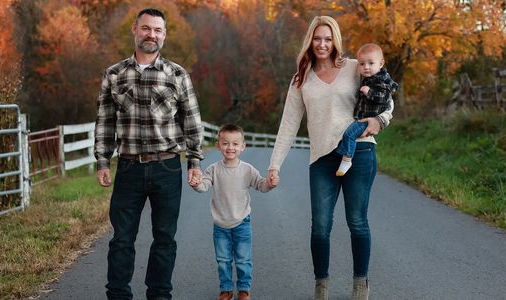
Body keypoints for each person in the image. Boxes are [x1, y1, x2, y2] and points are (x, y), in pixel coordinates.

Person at [266, 16, 394, 300]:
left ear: (335, 40)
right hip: (322, 160)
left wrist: (379, 122)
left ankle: (360, 285)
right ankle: (321, 285)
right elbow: (288, 125)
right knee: (320, 226)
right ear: (310, 41)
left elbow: (386, 97)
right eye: (317, 38)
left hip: (359, 152)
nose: (322, 44)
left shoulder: (353, 68)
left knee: (357, 221)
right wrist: (274, 165)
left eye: (328, 38)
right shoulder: (301, 79)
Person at [94, 8, 203, 300]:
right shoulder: (114, 74)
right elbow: (105, 122)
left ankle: (159, 295)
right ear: (135, 29)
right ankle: (118, 295)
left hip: (167, 168)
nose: (151, 35)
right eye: (146, 28)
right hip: (128, 168)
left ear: (164, 35)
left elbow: (191, 122)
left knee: (165, 239)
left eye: (157, 30)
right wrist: (102, 160)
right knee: (121, 240)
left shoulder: (177, 75)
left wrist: (194, 161)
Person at [189, 124, 278, 300]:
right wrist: (196, 184)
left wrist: (270, 183)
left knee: (243, 259)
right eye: (226, 143)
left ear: (242, 146)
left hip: (242, 222)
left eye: (235, 144)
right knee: (223, 260)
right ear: (218, 145)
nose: (230, 147)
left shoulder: (247, 169)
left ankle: (244, 289)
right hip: (220, 225)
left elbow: (261, 184)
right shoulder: (213, 169)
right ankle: (226, 289)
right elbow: (204, 186)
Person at [335, 43, 399, 176]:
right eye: (362, 64)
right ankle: (345, 154)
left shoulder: (380, 81)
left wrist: (369, 92)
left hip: (368, 118)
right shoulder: (370, 78)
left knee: (349, 135)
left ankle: (347, 160)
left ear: (381, 64)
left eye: (371, 63)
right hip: (363, 116)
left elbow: (385, 99)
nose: (366, 67)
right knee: (348, 135)